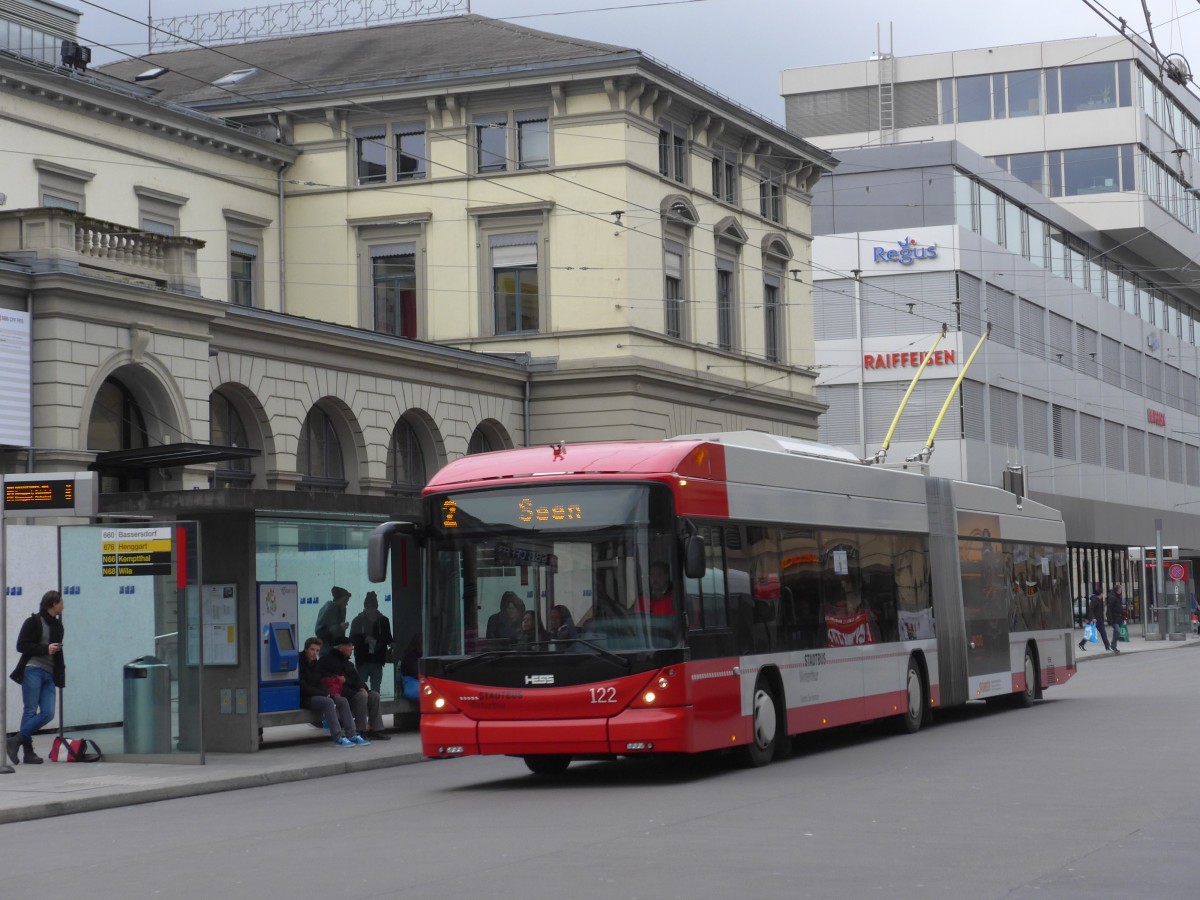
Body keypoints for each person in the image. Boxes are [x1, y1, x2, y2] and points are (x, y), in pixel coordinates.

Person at [7, 590, 65, 766]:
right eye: (61, 602)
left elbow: (59, 652)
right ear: (52, 604)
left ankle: (15, 740)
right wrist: (45, 649)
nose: (63, 605)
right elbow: (21, 645)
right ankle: (28, 753)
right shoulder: (33, 622)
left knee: (48, 713)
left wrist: (60, 674)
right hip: (32, 669)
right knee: (30, 710)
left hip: (49, 672)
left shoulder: (58, 626)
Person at [319, 634, 390, 740]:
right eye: (349, 645)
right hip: (342, 693)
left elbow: (357, 680)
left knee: (374, 695)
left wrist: (363, 688)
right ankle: (360, 731)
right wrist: (358, 690)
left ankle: (376, 730)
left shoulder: (349, 664)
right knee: (361, 697)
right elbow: (333, 683)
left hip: (353, 691)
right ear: (340, 647)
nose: (352, 648)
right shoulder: (327, 662)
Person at [299, 637, 366, 746]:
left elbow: (320, 682)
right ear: (306, 649)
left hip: (318, 695)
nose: (314, 653)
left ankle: (352, 734)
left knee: (342, 700)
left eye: (317, 651)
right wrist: (325, 695)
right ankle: (338, 737)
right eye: (312, 649)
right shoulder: (299, 662)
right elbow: (303, 686)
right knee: (328, 702)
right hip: (305, 698)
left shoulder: (315, 663)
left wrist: (329, 694)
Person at [349, 590, 393, 693]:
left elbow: (387, 636)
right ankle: (363, 706)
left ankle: (374, 706)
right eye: (369, 608)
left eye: (373, 608)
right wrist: (364, 640)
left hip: (377, 659)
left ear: (376, 607)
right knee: (360, 687)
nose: (371, 611)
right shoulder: (358, 620)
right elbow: (352, 639)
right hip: (362, 659)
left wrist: (392, 643)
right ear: (366, 607)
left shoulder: (383, 621)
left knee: (376, 687)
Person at [315, 586, 351, 657]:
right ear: (339, 599)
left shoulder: (340, 611)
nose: (346, 604)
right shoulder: (329, 609)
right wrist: (339, 627)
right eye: (345, 601)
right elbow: (319, 632)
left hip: (336, 652)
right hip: (327, 653)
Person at [1079, 582, 1111, 652]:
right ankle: (1081, 644)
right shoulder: (1094, 600)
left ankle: (1108, 647)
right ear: (1101, 594)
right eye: (1103, 593)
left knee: (1103, 633)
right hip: (1094, 620)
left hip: (1099, 620)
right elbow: (1091, 609)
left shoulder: (1099, 600)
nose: (1103, 595)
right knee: (1090, 633)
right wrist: (1092, 618)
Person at [1106, 584, 1126, 654]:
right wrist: (1109, 619)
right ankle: (1113, 645)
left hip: (1118, 618)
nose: (1121, 591)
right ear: (1117, 590)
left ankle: (1113, 646)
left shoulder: (1118, 597)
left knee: (1117, 632)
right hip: (1114, 618)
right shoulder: (1112, 597)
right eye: (1120, 589)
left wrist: (1123, 617)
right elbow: (1109, 609)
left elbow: (1120, 608)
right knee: (1117, 631)